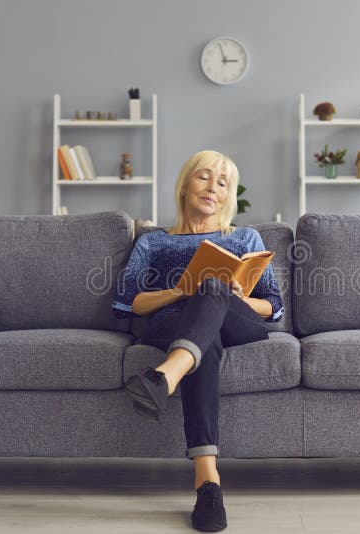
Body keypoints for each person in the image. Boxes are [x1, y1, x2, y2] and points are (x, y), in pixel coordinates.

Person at [112, 150, 284, 532]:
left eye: (223, 183)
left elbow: (274, 306)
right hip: (172, 323)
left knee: (214, 290)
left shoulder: (245, 237)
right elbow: (127, 303)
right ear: (186, 184)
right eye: (205, 177)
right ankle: (208, 483)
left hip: (238, 320)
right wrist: (178, 290)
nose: (213, 188)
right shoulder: (152, 242)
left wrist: (234, 296)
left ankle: (165, 377)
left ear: (228, 195)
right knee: (205, 338)